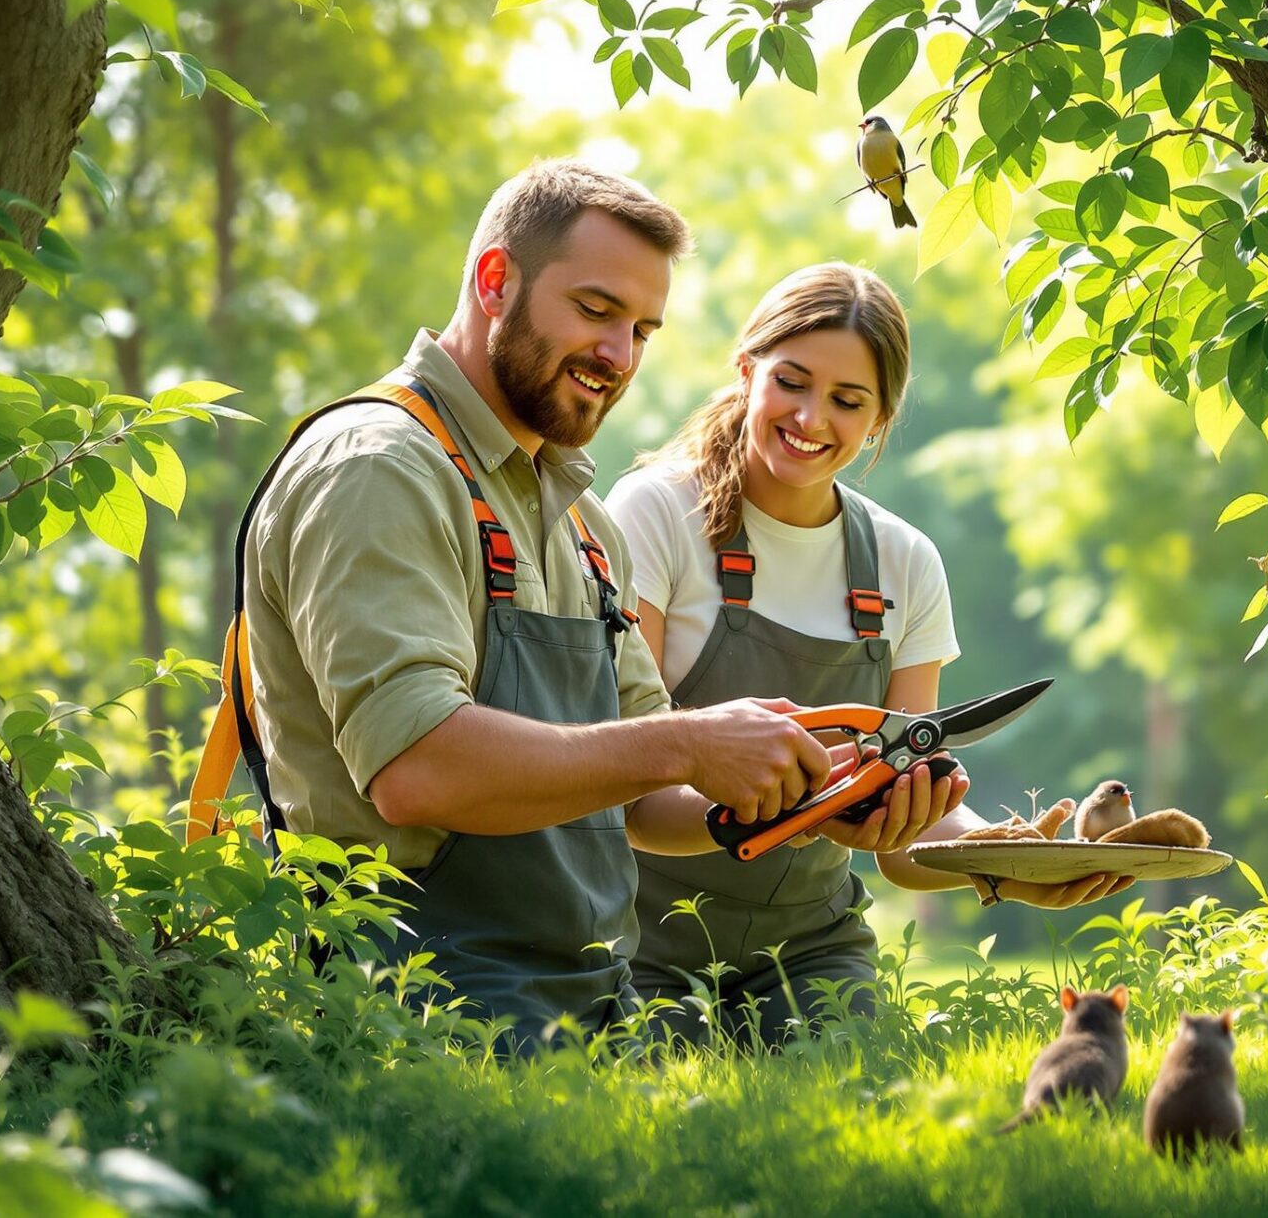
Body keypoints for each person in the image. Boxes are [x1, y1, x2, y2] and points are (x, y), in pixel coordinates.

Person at [231, 160, 830, 1050]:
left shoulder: (584, 521)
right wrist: (692, 739)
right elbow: (418, 767)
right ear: (495, 279)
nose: (619, 356)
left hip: (591, 1012)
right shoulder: (380, 467)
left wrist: (805, 795)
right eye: (595, 310)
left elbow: (643, 801)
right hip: (409, 1016)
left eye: (641, 329)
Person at [606, 263, 1131, 1044]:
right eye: (792, 381)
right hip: (638, 944)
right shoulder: (655, 515)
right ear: (747, 370)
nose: (813, 417)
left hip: (811, 952)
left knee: (853, 1110)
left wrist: (1002, 861)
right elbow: (634, 803)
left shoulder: (904, 562)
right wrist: (810, 808)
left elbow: (907, 836)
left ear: (881, 419)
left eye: (849, 400)